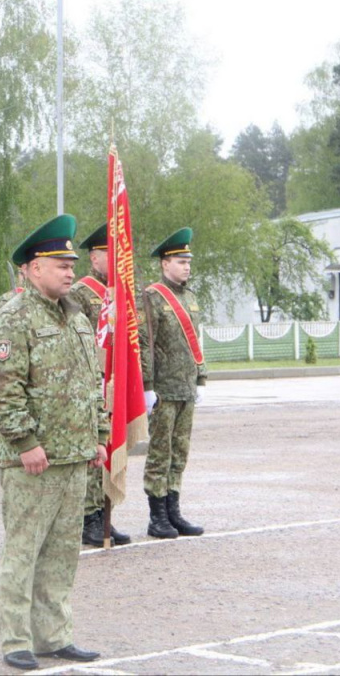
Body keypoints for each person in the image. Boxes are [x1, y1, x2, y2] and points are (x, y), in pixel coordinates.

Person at [0, 214, 107, 671]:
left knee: (62, 553)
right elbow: (4, 388)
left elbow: (89, 381)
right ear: (33, 268)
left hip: (74, 456)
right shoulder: (12, 317)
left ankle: (54, 635)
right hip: (33, 460)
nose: (70, 270)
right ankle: (16, 639)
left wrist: (98, 435)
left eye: (72, 263)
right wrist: (25, 442)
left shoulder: (76, 317)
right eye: (60, 263)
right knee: (23, 551)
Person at [139, 227, 207, 539]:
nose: (187, 266)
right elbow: (144, 342)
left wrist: (201, 378)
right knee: (160, 452)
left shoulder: (191, 298)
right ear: (165, 264)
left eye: (188, 261)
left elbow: (196, 342)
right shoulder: (152, 298)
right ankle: (157, 516)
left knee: (179, 451)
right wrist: (147, 385)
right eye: (180, 261)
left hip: (186, 387)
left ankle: (174, 510)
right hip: (163, 389)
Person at [68, 222, 131, 547]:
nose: (117, 257)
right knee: (92, 452)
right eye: (110, 253)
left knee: (107, 448)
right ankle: (88, 517)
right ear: (94, 259)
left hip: (112, 384)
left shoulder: (120, 291)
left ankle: (104, 517)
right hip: (90, 384)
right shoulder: (80, 292)